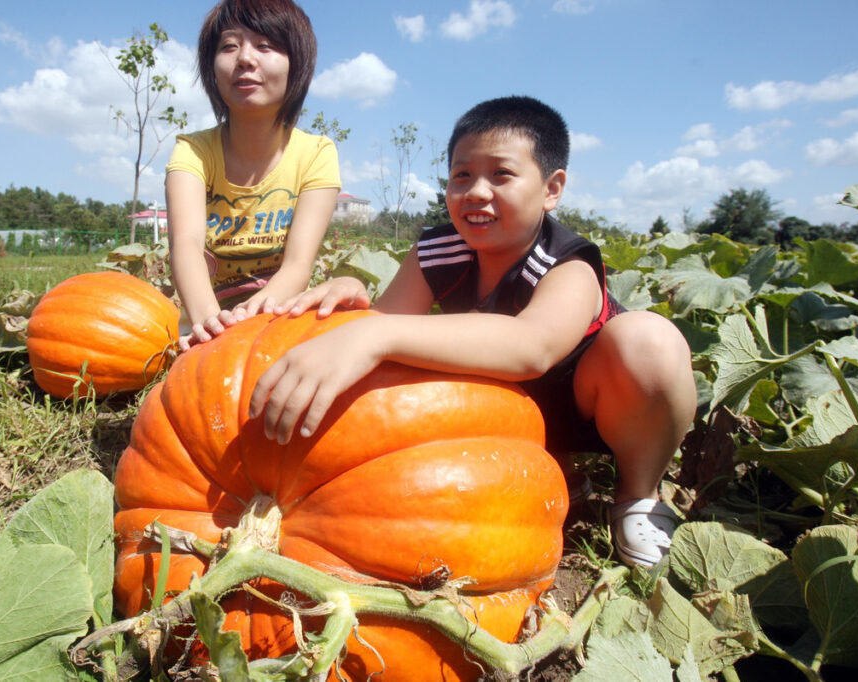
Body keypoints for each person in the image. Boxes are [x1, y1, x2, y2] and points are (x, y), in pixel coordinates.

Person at [248, 96, 698, 568]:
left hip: (592, 408)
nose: (477, 191)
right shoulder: (437, 250)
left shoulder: (567, 262)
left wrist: (374, 336)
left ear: (551, 189)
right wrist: (353, 299)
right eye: (462, 176)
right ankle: (555, 470)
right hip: (505, 411)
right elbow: (378, 327)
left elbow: (532, 348)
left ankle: (637, 497)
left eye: (501, 175)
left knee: (649, 341)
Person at [166, 0, 340, 350]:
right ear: (211, 68)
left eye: (265, 45)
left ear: (297, 65)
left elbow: (297, 265)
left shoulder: (317, 154)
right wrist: (210, 327)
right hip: (203, 329)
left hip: (274, 323)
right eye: (229, 46)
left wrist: (249, 324)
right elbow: (186, 247)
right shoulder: (193, 152)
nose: (245, 58)